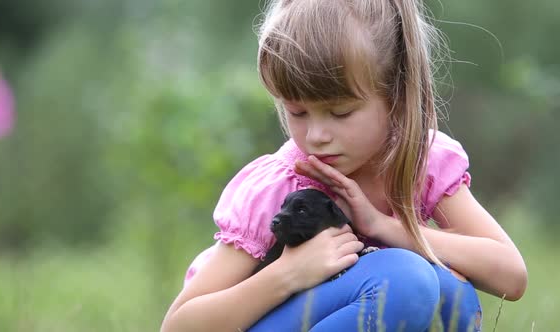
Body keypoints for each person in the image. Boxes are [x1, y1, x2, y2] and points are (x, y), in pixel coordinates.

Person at [161, 0, 528, 331]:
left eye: (341, 112)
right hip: (265, 316)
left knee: (452, 292)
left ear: (395, 95)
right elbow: (179, 325)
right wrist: (289, 273)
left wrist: (384, 227)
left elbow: (510, 277)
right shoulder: (280, 185)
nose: (317, 135)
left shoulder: (419, 162)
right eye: (297, 112)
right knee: (406, 280)